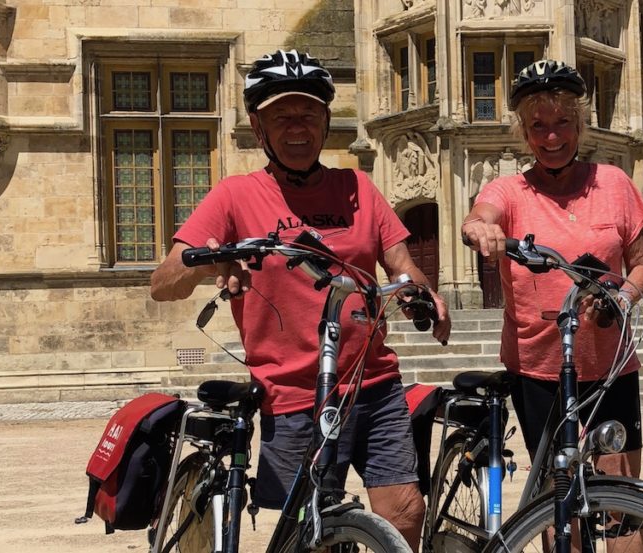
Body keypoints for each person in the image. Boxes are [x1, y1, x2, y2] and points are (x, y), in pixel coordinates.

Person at [150, 49, 450, 550]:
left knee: (405, 512)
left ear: (326, 120)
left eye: (308, 113)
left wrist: (424, 294)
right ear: (258, 125)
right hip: (292, 394)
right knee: (310, 528)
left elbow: (401, 263)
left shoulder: (358, 188)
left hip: (372, 382)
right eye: (281, 115)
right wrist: (211, 259)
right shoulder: (235, 195)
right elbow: (163, 284)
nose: (297, 127)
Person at [461, 59, 643, 486]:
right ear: (523, 133)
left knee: (622, 500)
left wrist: (620, 299)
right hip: (537, 373)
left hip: (611, 369)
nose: (552, 137)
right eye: (538, 126)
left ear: (580, 124)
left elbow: (642, 266)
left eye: (563, 122)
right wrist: (479, 229)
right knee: (557, 499)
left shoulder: (615, 183)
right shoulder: (508, 190)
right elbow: (480, 215)